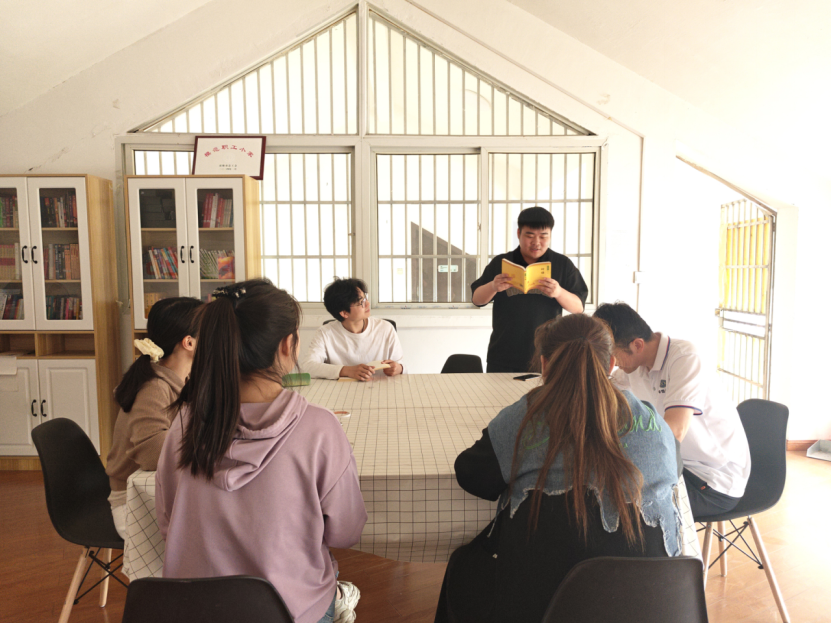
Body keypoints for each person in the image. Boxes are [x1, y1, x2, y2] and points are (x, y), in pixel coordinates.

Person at [434, 314, 681, 623]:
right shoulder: (649, 419)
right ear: (611, 364)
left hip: (538, 604)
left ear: (544, 364)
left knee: (463, 565)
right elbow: (674, 468)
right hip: (650, 604)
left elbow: (472, 475)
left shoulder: (524, 416)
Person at [155, 280, 368, 623]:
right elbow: (345, 532)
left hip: (196, 609)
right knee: (331, 583)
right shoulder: (319, 428)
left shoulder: (185, 422)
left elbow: (168, 520)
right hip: (291, 610)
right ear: (287, 345)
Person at [593, 302, 750, 518]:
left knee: (622, 508)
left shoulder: (685, 358)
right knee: (600, 490)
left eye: (613, 354)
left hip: (712, 479)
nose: (613, 363)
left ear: (637, 345)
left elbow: (674, 432)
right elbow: (604, 388)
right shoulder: (635, 365)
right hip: (679, 466)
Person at [106, 296, 202, 540]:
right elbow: (153, 455)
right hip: (134, 505)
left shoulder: (180, 378)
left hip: (159, 491)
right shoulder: (154, 387)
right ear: (189, 343)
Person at [470, 206, 588, 373]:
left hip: (548, 355)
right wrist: (493, 286)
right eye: (530, 236)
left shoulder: (562, 264)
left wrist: (559, 292)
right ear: (519, 233)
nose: (536, 242)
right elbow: (477, 300)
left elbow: (579, 307)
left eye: (543, 236)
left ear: (550, 235)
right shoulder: (502, 262)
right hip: (503, 355)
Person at [303, 277, 404, 381]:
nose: (368, 304)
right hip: (340, 389)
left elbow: (402, 365)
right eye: (361, 302)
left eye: (365, 298)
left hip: (380, 387)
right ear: (344, 313)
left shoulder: (385, 328)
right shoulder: (325, 333)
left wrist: (398, 368)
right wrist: (346, 370)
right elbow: (308, 367)